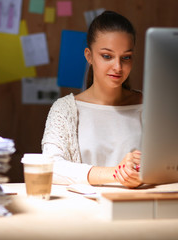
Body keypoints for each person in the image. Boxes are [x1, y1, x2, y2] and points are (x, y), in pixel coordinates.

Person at [41, 11, 143, 188]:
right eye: (107, 56)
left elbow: (176, 163)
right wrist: (117, 173)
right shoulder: (64, 110)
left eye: (126, 57)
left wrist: (145, 171)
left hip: (142, 208)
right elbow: (50, 167)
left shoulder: (152, 106)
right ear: (89, 56)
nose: (118, 67)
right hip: (86, 211)